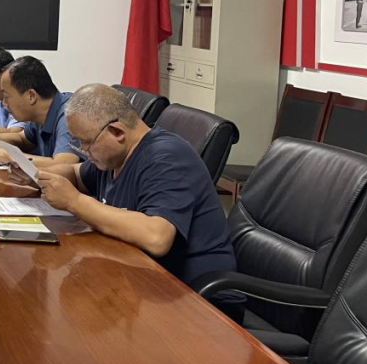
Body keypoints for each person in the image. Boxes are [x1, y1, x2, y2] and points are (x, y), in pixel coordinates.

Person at [29, 84, 237, 309]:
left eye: (86, 142)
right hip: (143, 280)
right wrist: (36, 175)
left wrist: (74, 201)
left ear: (117, 132)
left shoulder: (166, 157)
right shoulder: (113, 156)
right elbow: (76, 174)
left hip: (198, 301)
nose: (83, 150)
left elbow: (156, 237)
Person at [0, 56, 79, 169]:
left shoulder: (70, 115)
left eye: (6, 97)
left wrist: (10, 157)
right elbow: (22, 140)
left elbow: (65, 165)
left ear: (31, 96)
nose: (4, 103)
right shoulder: (40, 114)